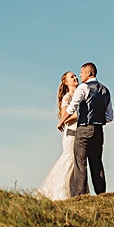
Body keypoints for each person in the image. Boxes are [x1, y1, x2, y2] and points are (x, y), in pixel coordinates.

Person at [58, 61, 113, 196]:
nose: (80, 75)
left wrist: (61, 122)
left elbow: (72, 108)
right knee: (97, 162)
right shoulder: (106, 90)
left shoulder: (83, 88)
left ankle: (82, 194)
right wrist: (98, 121)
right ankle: (101, 193)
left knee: (80, 162)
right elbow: (110, 116)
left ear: (89, 73)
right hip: (99, 130)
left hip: (83, 129)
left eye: (82, 73)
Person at [36, 71, 80, 200]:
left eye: (76, 76)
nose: (75, 77)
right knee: (70, 158)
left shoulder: (78, 95)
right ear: (66, 82)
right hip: (71, 134)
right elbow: (64, 116)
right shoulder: (67, 97)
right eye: (72, 77)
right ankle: (62, 191)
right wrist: (81, 115)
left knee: (77, 160)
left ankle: (74, 190)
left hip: (78, 132)